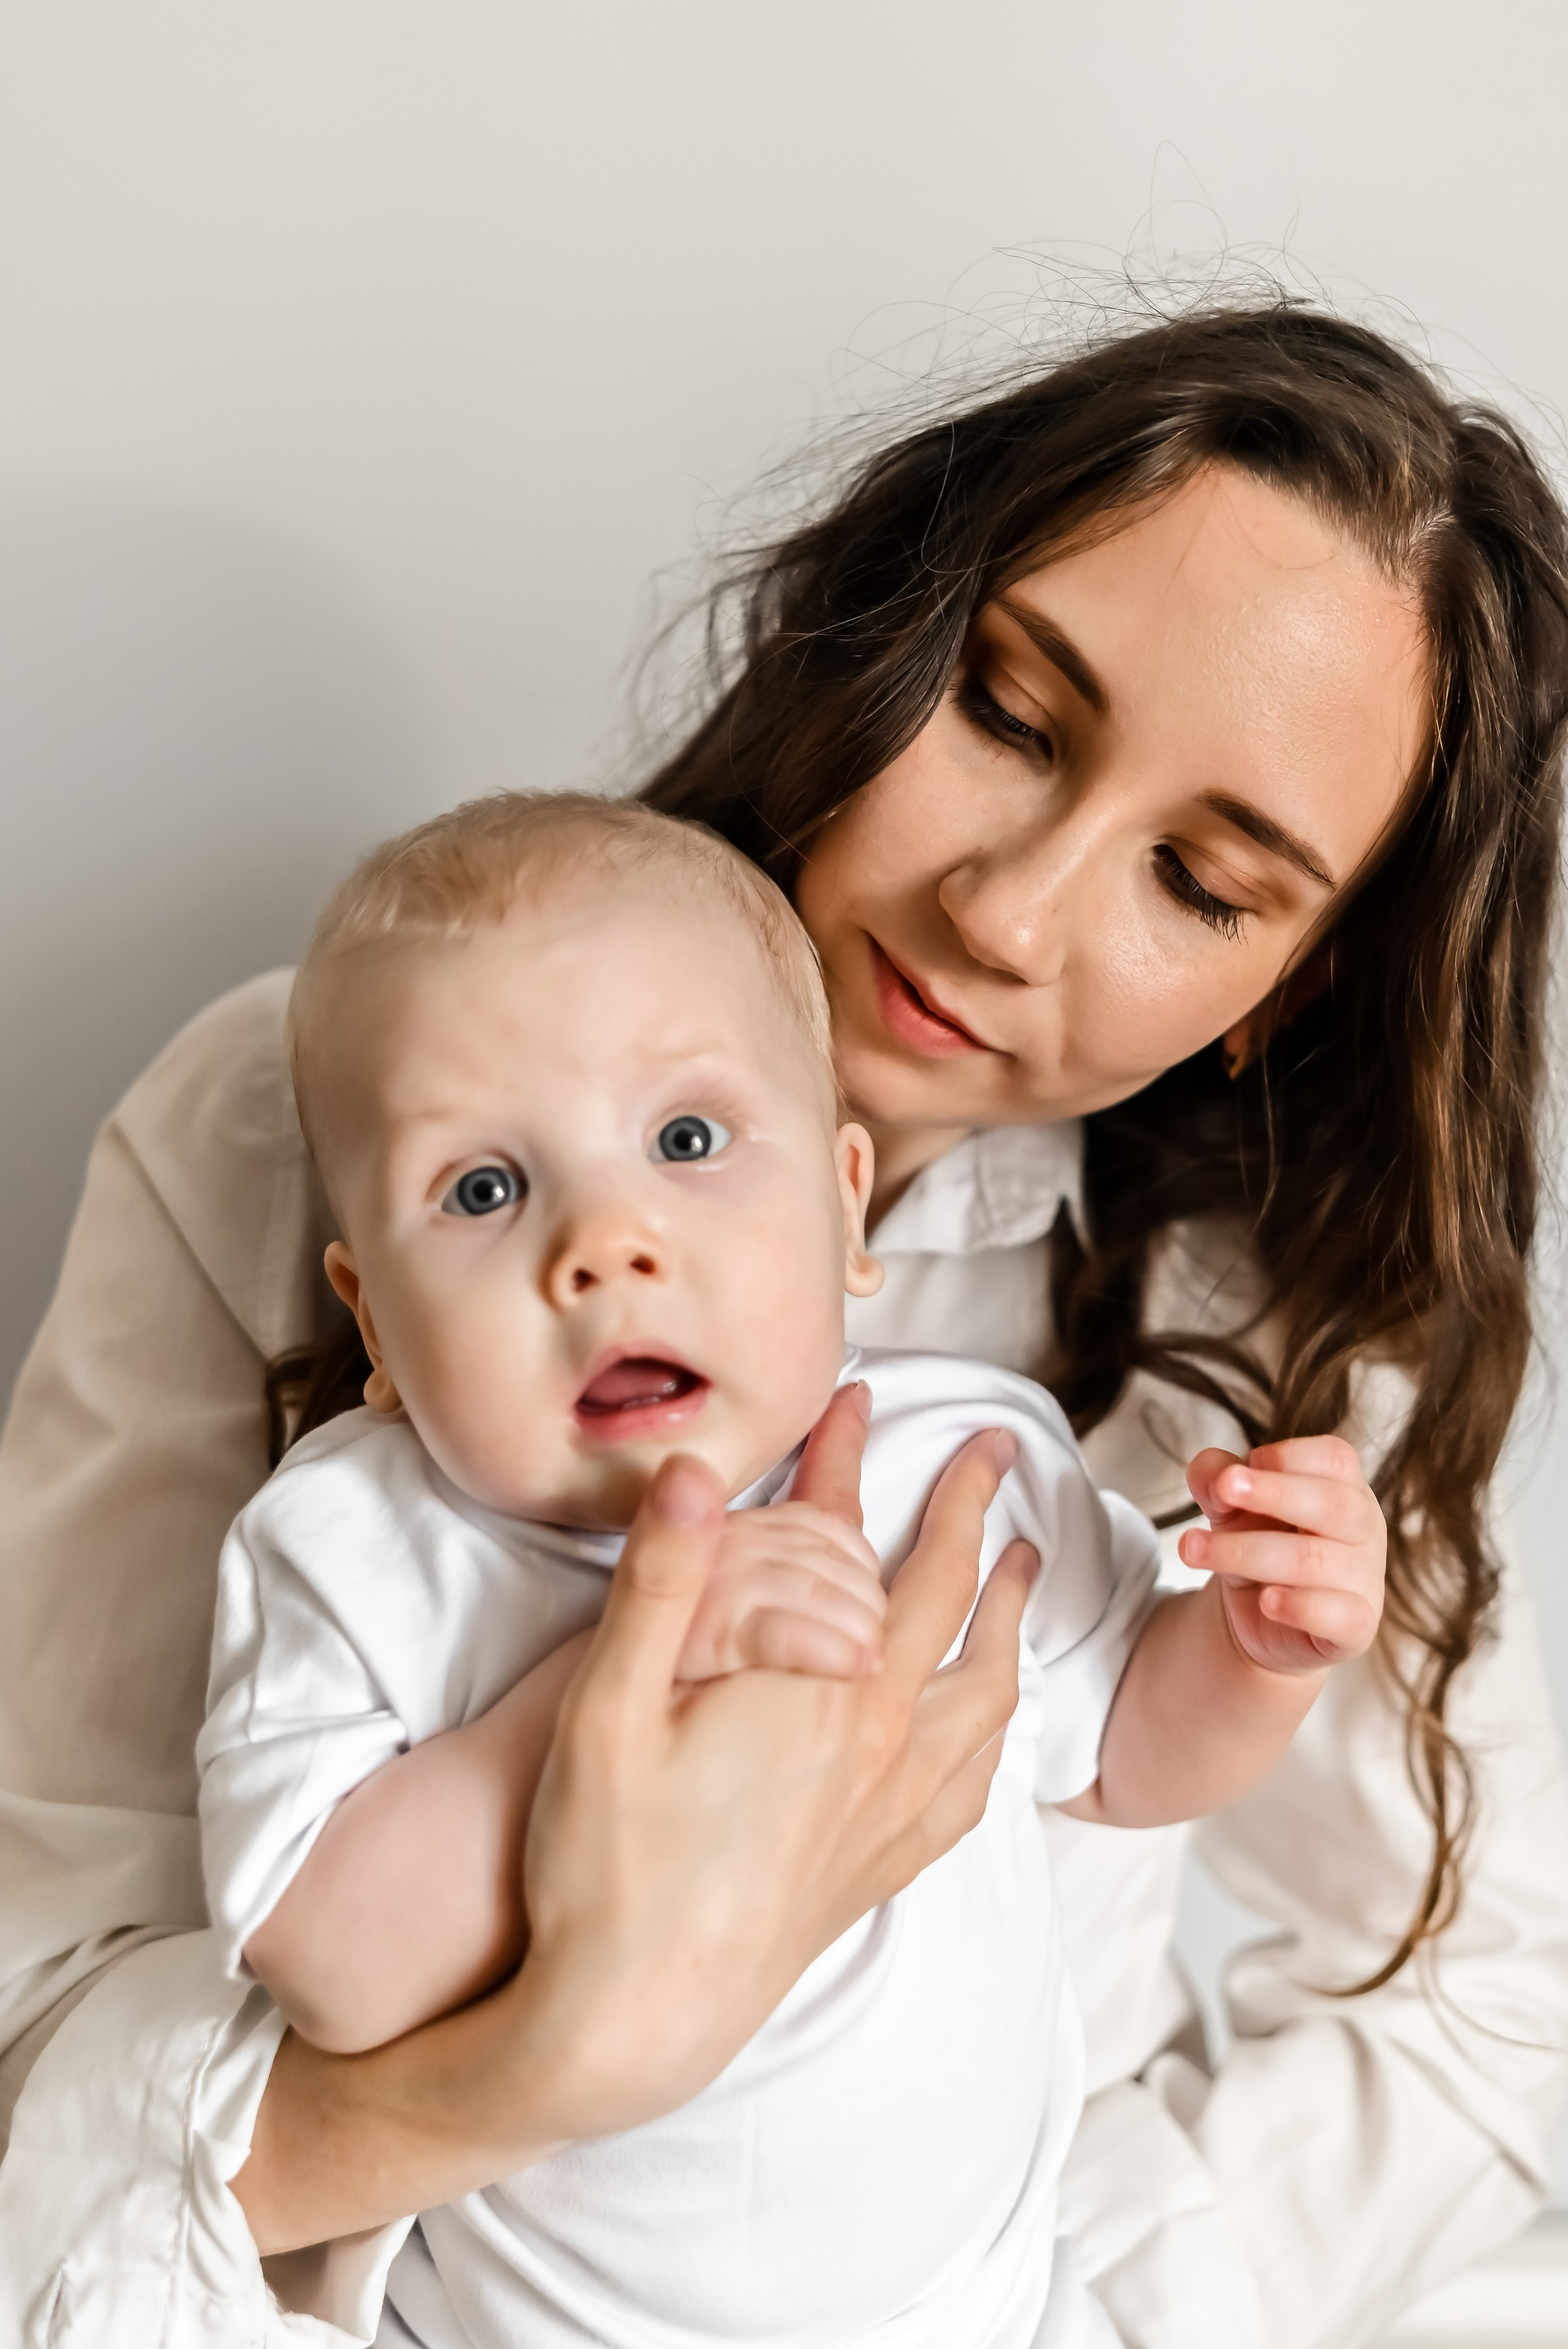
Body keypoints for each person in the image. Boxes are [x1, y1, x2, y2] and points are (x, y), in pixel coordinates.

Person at [0, 297, 1566, 2349]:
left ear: (1293, 984)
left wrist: (1094, 2305)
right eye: (1009, 711)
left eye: (1198, 877)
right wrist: (546, 2061)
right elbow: (47, 2008)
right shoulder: (297, 1136)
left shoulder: (1219, 1357)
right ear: (882, 627)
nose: (1007, 911)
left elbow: (1473, 1981)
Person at [194, 790, 1386, 2348]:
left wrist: (1253, 1650)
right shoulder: (353, 1549)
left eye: (686, 1139)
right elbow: (333, 1972)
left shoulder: (955, 1461)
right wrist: (636, 1663)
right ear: (375, 1321)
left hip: (982, 2312)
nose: (604, 1243)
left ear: (841, 1204)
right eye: (482, 1189)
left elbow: (1125, 1755)